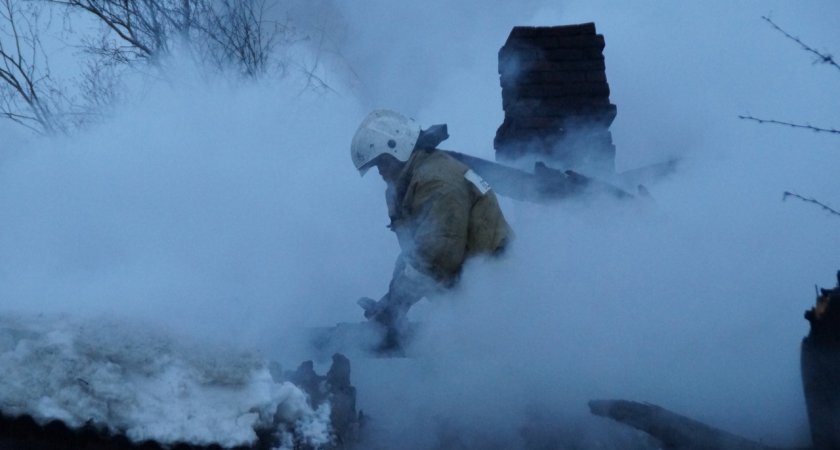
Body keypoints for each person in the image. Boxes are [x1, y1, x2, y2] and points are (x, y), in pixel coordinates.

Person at [350, 110, 513, 350]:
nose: (381, 172)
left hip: (495, 293)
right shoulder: (413, 181)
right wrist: (391, 301)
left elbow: (438, 253)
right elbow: (415, 252)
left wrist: (395, 305)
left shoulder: (438, 181)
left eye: (383, 162)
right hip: (474, 291)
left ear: (400, 148)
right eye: (376, 167)